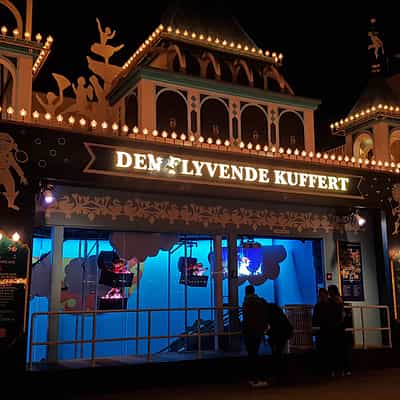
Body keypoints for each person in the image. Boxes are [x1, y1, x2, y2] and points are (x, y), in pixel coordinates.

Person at [242, 285, 269, 387]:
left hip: (249, 332)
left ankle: (255, 378)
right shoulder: (260, 301)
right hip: (258, 331)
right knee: (255, 354)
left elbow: (247, 319)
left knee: (252, 355)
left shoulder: (247, 303)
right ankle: (259, 377)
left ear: (246, 292)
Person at [266, 302, 293, 385]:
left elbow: (274, 329)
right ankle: (283, 377)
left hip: (278, 337)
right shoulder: (280, 315)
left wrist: (269, 333)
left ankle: (278, 377)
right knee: (280, 356)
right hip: (283, 336)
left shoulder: (272, 316)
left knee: (277, 357)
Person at [327, 284, 346, 377]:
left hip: (334, 328)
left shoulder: (331, 302)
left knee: (333, 350)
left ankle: (334, 370)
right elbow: (342, 315)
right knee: (339, 350)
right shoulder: (340, 301)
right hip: (338, 328)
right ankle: (341, 370)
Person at [312, 288, 330, 375]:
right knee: (326, 350)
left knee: (322, 349)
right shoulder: (330, 305)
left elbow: (314, 318)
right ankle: (328, 370)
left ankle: (323, 369)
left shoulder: (317, 306)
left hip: (322, 331)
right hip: (327, 330)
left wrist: (314, 329)